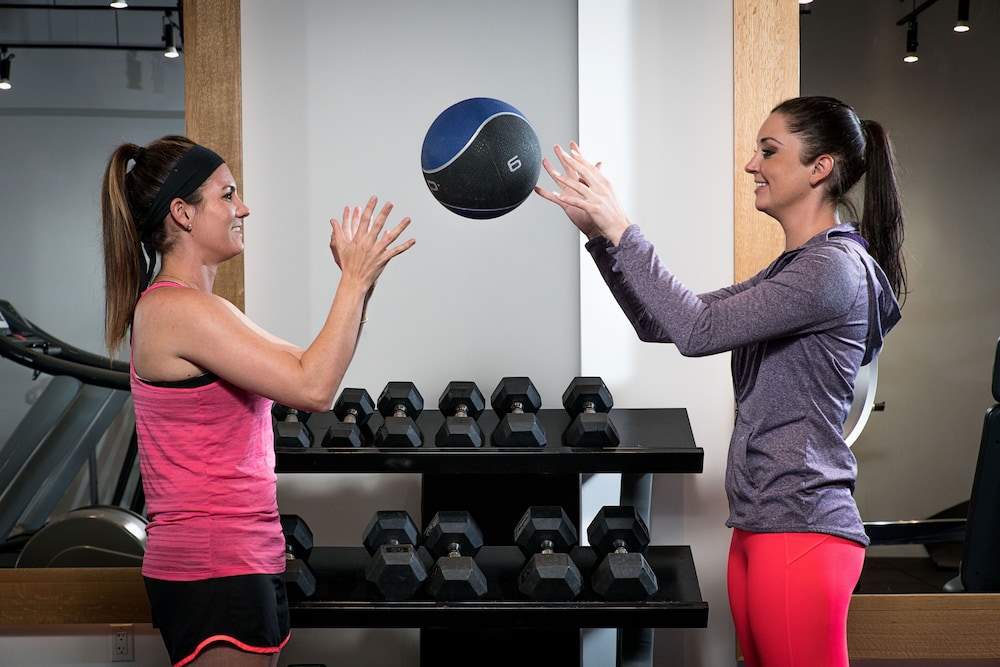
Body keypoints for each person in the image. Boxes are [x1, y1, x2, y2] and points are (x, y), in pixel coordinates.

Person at [534, 96, 906, 667]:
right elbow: (661, 322)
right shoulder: (795, 269)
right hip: (761, 524)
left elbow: (698, 330)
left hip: (801, 528)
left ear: (820, 167)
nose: (752, 164)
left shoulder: (831, 269)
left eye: (769, 150)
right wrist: (602, 239)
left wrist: (622, 225)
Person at [100, 134, 415, 666]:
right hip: (214, 564)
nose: (243, 207)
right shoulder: (179, 313)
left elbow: (315, 367)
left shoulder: (205, 310)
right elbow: (312, 389)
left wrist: (362, 284)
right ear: (182, 213)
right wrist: (351, 282)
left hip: (235, 557)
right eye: (227, 195)